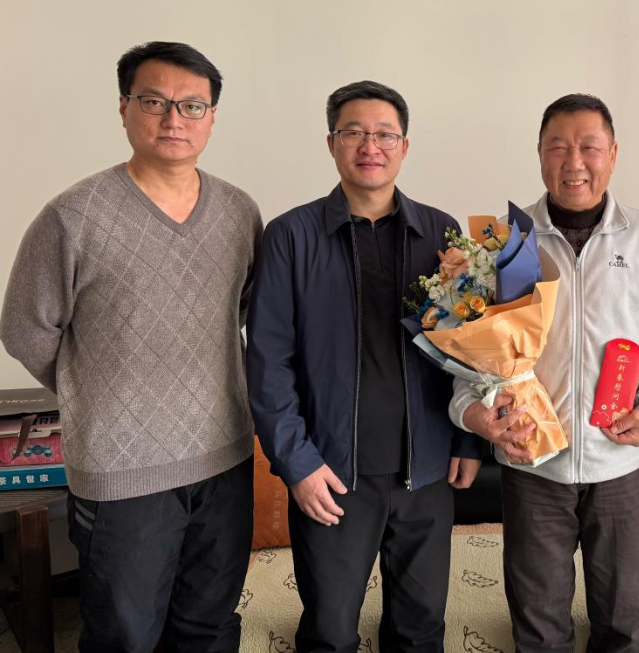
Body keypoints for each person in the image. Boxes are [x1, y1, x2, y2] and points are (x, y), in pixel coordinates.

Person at [0, 41, 262, 652]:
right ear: (124, 108)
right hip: (123, 472)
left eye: (192, 105)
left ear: (212, 118)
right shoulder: (73, 215)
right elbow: (24, 328)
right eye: (154, 101)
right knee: (124, 635)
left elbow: (243, 313)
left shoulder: (238, 211)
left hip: (225, 457)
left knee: (210, 626)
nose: (173, 119)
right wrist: (93, 388)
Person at [247, 80, 483, 653]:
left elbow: (471, 349)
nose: (370, 146)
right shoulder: (291, 236)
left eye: (384, 134)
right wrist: (297, 464)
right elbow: (268, 362)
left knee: (420, 629)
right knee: (330, 633)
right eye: (354, 132)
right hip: (331, 474)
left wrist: (468, 441)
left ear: (405, 146)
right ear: (332, 143)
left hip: (426, 471)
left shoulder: (442, 234)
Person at [450, 94, 639, 653]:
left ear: (613, 154)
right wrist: (473, 412)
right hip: (533, 464)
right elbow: (468, 342)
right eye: (558, 146)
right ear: (539, 154)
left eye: (589, 147)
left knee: (624, 624)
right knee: (537, 626)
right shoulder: (505, 241)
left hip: (620, 464)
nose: (574, 161)